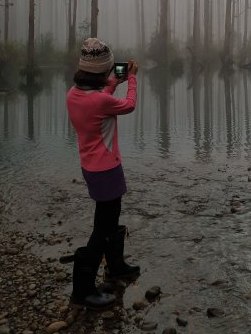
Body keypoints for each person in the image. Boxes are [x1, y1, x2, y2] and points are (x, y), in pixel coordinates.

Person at [66, 37, 140, 309]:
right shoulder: (99, 101)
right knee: (103, 227)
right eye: (110, 70)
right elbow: (129, 105)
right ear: (102, 70)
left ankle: (116, 266)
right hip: (107, 169)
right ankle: (82, 290)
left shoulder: (74, 93)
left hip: (92, 168)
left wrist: (114, 82)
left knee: (109, 219)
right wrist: (131, 79)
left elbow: (99, 97)